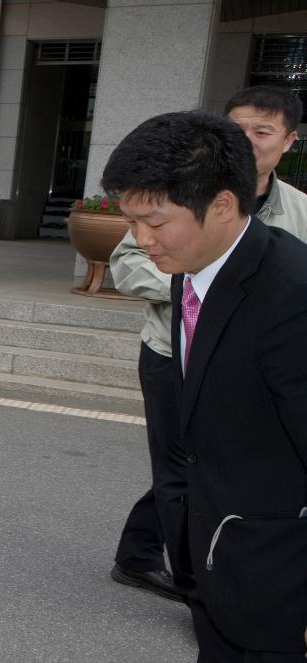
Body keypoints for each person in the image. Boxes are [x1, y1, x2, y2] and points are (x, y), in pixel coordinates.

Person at [103, 110, 307, 663]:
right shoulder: (197, 278)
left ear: (222, 204)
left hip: (286, 602)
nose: (141, 241)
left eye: (154, 221)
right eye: (132, 220)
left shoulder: (289, 294)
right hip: (221, 582)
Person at [108, 85, 307, 602]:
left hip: (269, 568)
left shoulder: (290, 285)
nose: (142, 240)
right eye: (238, 127)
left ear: (289, 140)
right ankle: (187, 574)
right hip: (174, 358)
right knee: (183, 469)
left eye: (262, 131)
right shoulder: (186, 259)